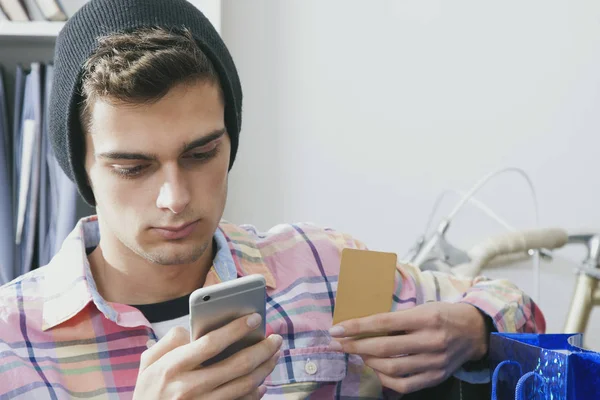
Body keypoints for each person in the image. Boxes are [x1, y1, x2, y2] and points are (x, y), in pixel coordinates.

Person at [0, 0, 545, 398]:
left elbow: (515, 305)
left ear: (230, 141)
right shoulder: (10, 342)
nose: (175, 197)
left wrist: (475, 329)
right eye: (133, 167)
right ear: (84, 169)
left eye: (200, 154)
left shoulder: (321, 266)